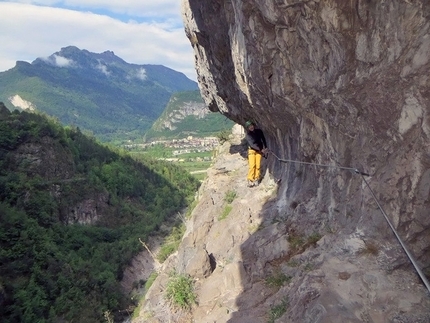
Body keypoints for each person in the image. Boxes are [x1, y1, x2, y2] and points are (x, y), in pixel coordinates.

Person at [244, 120, 268, 187]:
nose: (251, 127)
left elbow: (263, 139)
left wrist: (265, 147)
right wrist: (261, 150)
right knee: (252, 165)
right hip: (252, 150)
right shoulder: (248, 135)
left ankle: (256, 179)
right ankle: (250, 179)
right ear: (248, 128)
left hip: (259, 151)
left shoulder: (259, 131)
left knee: (258, 165)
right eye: (249, 126)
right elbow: (252, 145)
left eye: (251, 125)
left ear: (253, 125)